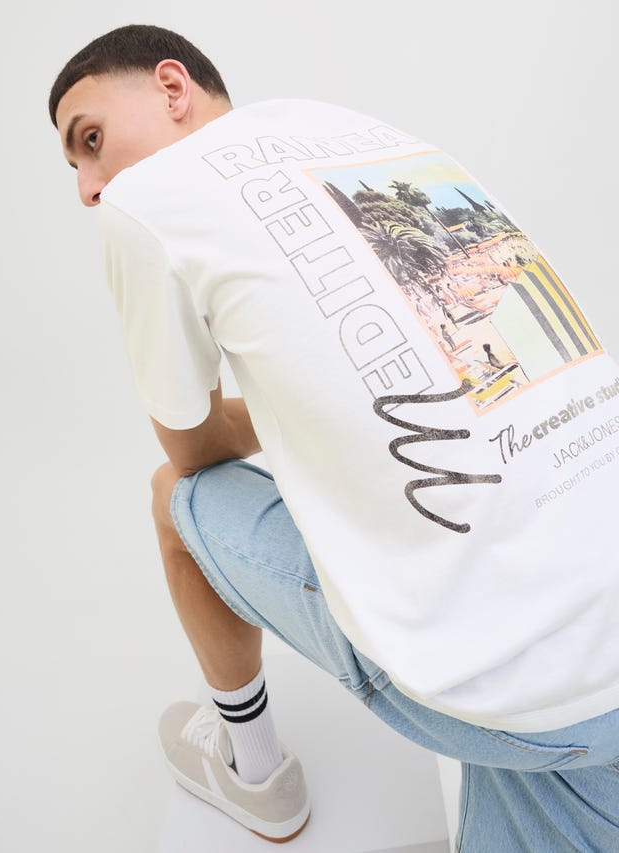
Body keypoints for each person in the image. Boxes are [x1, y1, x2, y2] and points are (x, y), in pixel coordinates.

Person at [49, 24, 619, 850]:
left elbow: (193, 451)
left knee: (175, 499)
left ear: (173, 88)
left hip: (518, 697)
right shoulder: (346, 127)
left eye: (91, 140)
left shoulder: (149, 199)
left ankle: (255, 775)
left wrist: (286, 417)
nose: (89, 187)